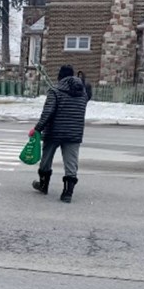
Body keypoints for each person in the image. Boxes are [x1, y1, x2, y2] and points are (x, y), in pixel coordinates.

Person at [31, 65, 90, 203]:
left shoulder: (55, 91)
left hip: (54, 132)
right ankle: (68, 193)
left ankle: (43, 185)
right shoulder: (83, 93)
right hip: (74, 133)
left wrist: (37, 129)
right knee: (71, 163)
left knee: (46, 160)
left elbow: (48, 113)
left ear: (59, 76)